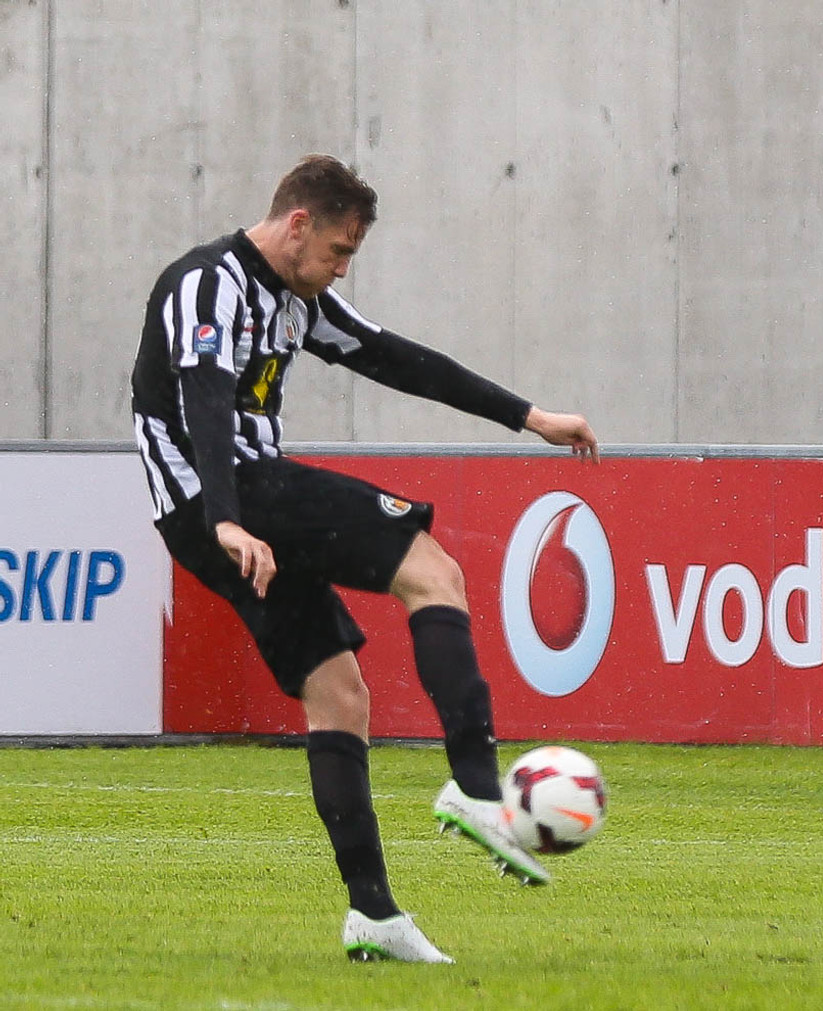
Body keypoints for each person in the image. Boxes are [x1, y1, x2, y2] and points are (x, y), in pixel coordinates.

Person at [131, 154, 599, 964]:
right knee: (434, 570)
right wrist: (228, 520)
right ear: (298, 224)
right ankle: (477, 787)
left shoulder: (298, 299)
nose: (343, 268)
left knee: (338, 694)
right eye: (339, 250)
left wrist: (530, 417)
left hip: (224, 510)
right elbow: (204, 400)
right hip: (227, 494)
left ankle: (374, 915)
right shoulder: (207, 283)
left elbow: (393, 357)